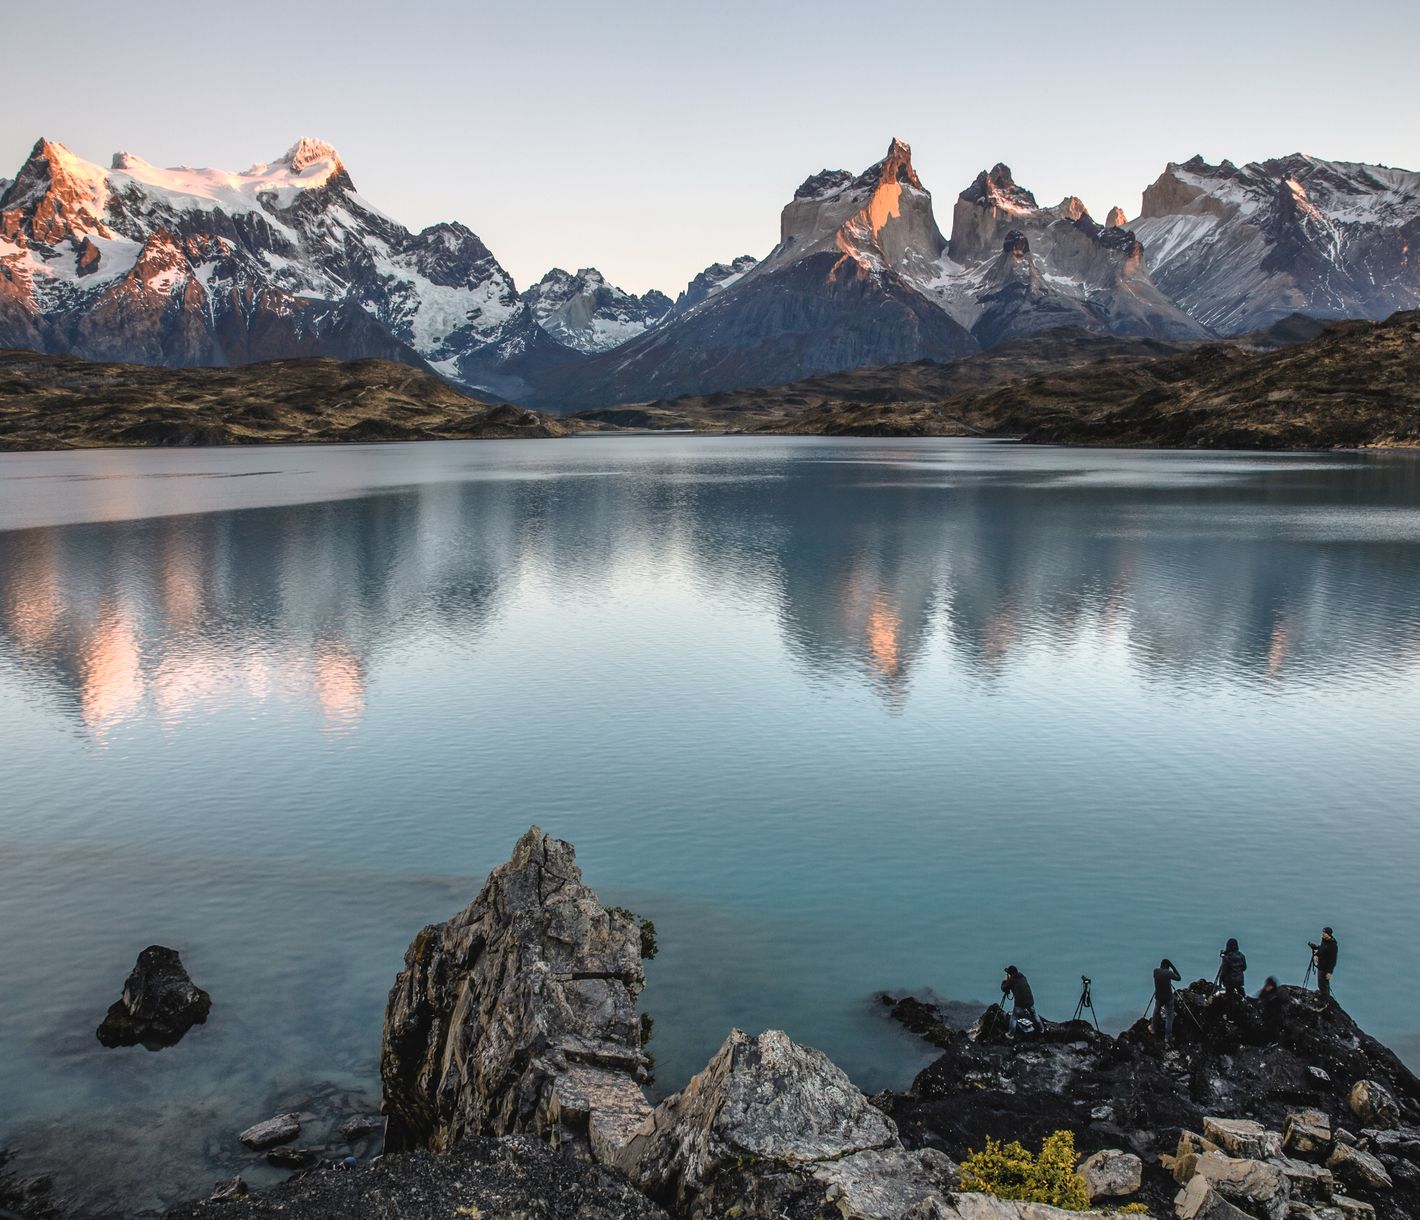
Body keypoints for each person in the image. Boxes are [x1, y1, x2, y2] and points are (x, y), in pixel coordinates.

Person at [1001, 965, 1039, 1038]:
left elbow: (1003, 988)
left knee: (1014, 1017)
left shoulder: (1011, 980)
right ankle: (1041, 1029)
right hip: (1030, 1000)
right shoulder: (1023, 977)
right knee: (1034, 1014)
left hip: (1020, 1003)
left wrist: (1005, 980)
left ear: (1010, 974)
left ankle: (1010, 1034)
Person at [1152, 958, 1181, 1042]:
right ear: (1167, 966)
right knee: (1169, 1017)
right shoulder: (1169, 973)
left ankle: (1153, 1028)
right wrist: (1172, 966)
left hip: (1159, 996)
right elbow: (1179, 978)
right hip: (1168, 997)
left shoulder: (1155, 971)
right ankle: (1168, 1037)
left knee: (1156, 1011)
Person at [1311, 928, 1339, 1004]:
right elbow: (1321, 950)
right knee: (1320, 984)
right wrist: (1316, 955)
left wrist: (1330, 972)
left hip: (1326, 968)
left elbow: (1333, 960)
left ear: (1329, 934)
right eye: (1322, 932)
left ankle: (1324, 1002)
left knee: (1324, 985)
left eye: (1324, 933)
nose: (1323, 934)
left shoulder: (1333, 945)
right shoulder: (1324, 940)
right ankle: (1322, 997)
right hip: (1321, 966)